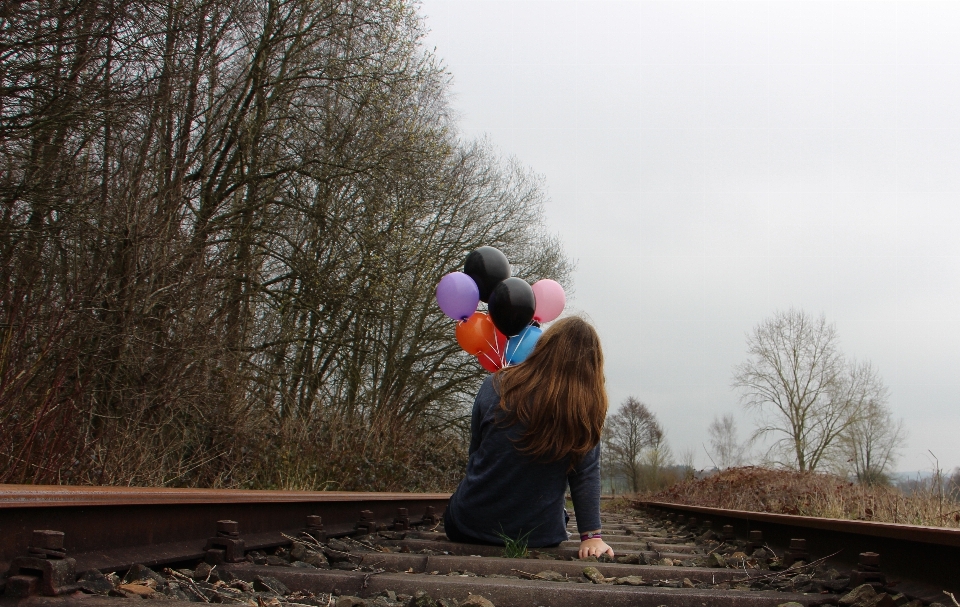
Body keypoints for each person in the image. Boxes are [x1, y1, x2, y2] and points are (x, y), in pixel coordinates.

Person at [443, 316, 614, 559]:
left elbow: (476, 454)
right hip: (539, 536)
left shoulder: (495, 384)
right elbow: (585, 475)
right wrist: (591, 536)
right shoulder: (584, 409)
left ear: (543, 347)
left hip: (467, 526)